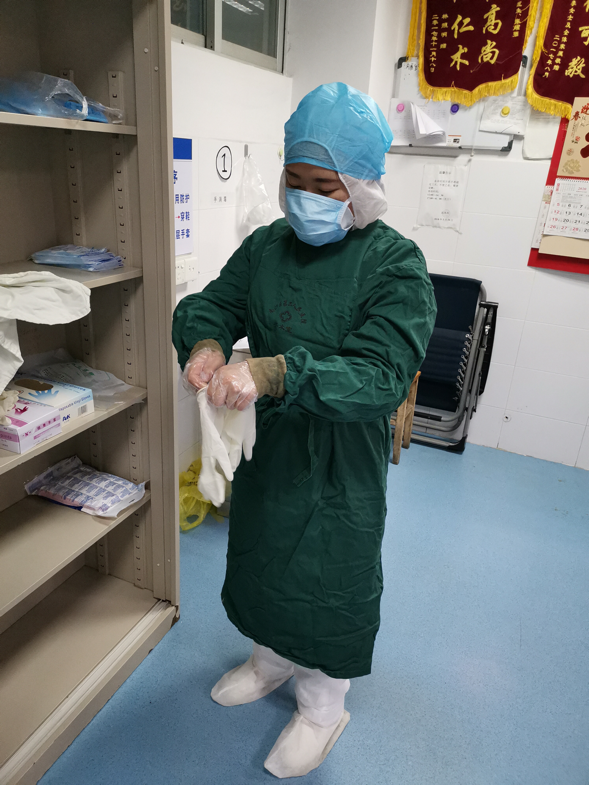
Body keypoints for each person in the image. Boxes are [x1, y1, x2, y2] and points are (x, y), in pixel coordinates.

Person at [173, 82, 437, 778]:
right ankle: (270, 660)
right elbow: (214, 302)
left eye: (324, 186)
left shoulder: (394, 265)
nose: (304, 198)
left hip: (339, 460)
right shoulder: (267, 247)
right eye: (294, 180)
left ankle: (322, 706)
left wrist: (274, 373)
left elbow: (380, 375)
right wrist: (205, 344)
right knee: (263, 554)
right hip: (271, 448)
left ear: (362, 187)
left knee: (326, 575)